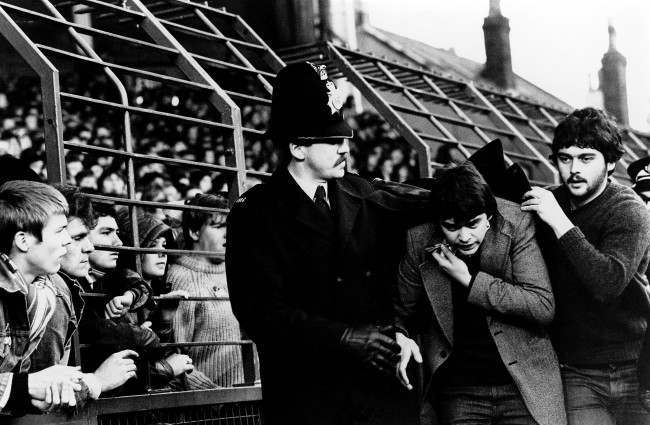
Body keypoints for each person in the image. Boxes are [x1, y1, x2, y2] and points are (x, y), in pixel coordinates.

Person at [226, 62, 415, 425]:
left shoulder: (360, 192)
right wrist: (342, 337)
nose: (345, 149)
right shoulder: (257, 213)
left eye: (344, 139)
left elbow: (409, 241)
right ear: (297, 147)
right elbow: (259, 311)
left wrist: (400, 331)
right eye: (332, 141)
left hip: (377, 395)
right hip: (307, 397)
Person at [395, 162, 566, 425]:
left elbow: (542, 305)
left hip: (523, 385)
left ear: (489, 216)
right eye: (451, 226)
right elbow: (400, 312)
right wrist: (400, 335)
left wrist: (468, 279)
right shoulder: (419, 240)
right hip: (459, 390)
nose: (464, 236)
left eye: (473, 224)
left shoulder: (515, 223)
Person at [521, 107, 650, 424]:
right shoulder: (548, 203)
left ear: (610, 163)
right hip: (576, 369)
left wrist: (559, 223)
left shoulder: (628, 208)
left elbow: (608, 283)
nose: (573, 169)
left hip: (635, 366)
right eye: (565, 158)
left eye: (586, 158)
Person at [29, 184, 138, 403]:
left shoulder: (67, 287)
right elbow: (46, 398)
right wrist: (97, 381)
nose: (89, 247)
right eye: (77, 237)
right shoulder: (54, 289)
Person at [0, 180, 84, 415]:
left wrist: (31, 395)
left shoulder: (43, 294)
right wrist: (26, 386)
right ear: (23, 240)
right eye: (59, 231)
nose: (68, 240)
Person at [169, 193, 245, 388]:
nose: (228, 232)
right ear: (194, 232)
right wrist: (215, 397)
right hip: (214, 409)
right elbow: (173, 358)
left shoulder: (238, 271)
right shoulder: (181, 278)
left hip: (251, 403)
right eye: (218, 226)